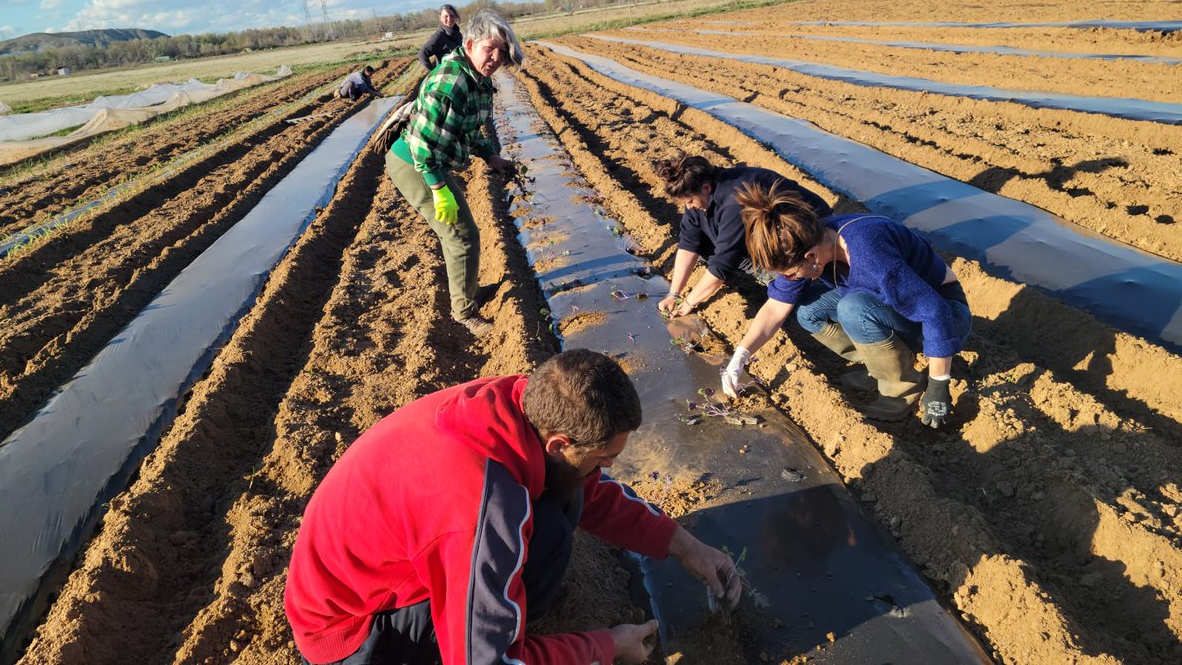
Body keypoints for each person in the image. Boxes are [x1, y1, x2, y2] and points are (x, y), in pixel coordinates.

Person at [284, 349, 742, 665]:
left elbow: (592, 489)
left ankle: (501, 613)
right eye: (604, 458)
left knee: (566, 496)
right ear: (560, 442)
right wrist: (603, 645)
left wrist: (684, 546)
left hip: (381, 571)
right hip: (353, 635)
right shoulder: (480, 507)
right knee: (545, 534)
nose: (605, 469)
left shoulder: (519, 405)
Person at [722, 184, 971, 428]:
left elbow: (934, 312)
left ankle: (901, 388)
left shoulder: (869, 252)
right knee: (809, 311)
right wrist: (739, 358)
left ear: (811, 257)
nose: (792, 279)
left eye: (791, 273)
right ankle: (880, 368)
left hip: (948, 312)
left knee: (853, 308)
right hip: (891, 305)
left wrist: (939, 384)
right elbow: (776, 307)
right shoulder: (817, 240)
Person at [385, 9, 519, 337]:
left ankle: (468, 292)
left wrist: (491, 156)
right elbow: (422, 146)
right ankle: (464, 312)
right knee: (460, 235)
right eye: (490, 49)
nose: (496, 57)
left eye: (501, 51)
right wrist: (438, 188)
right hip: (414, 163)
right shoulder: (451, 81)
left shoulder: (477, 81)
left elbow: (469, 129)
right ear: (471, 44)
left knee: (465, 232)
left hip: (430, 159)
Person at [652, 154, 831, 319]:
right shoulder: (698, 193)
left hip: (807, 233)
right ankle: (760, 268)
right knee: (705, 244)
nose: (688, 207)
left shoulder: (734, 201)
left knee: (797, 294)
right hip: (769, 232)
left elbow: (723, 262)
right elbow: (689, 242)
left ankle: (791, 282)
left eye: (689, 201)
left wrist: (689, 303)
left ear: (706, 188)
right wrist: (673, 294)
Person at [418, 4, 463, 71]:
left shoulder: (458, 34)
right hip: (447, 76)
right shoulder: (439, 37)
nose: (449, 19)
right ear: (440, 18)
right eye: (446, 16)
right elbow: (422, 53)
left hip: (459, 73)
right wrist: (433, 72)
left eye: (452, 16)